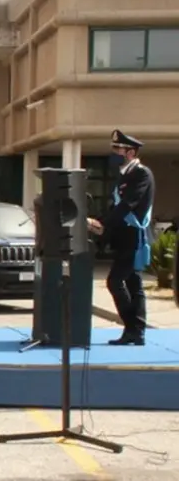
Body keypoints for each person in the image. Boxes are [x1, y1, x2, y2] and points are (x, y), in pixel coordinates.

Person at [89, 130, 155, 346]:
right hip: (123, 236)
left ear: (131, 152)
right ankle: (136, 331)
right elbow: (115, 207)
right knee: (133, 283)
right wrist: (98, 222)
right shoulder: (124, 175)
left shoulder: (141, 174)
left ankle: (132, 327)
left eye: (118, 149)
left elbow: (128, 204)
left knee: (115, 281)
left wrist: (105, 223)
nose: (114, 153)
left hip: (134, 236)